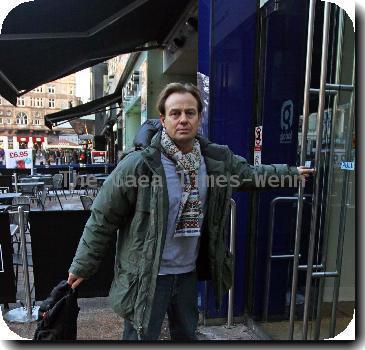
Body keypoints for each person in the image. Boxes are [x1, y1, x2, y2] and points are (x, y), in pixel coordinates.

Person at [68, 83, 313, 341]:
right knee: (141, 337)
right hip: (148, 275)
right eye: (175, 113)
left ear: (199, 118)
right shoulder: (140, 165)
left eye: (190, 112)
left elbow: (250, 175)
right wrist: (83, 265)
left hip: (187, 274)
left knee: (186, 335)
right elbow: (103, 217)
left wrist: (289, 174)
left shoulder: (214, 160)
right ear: (163, 119)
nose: (183, 119)